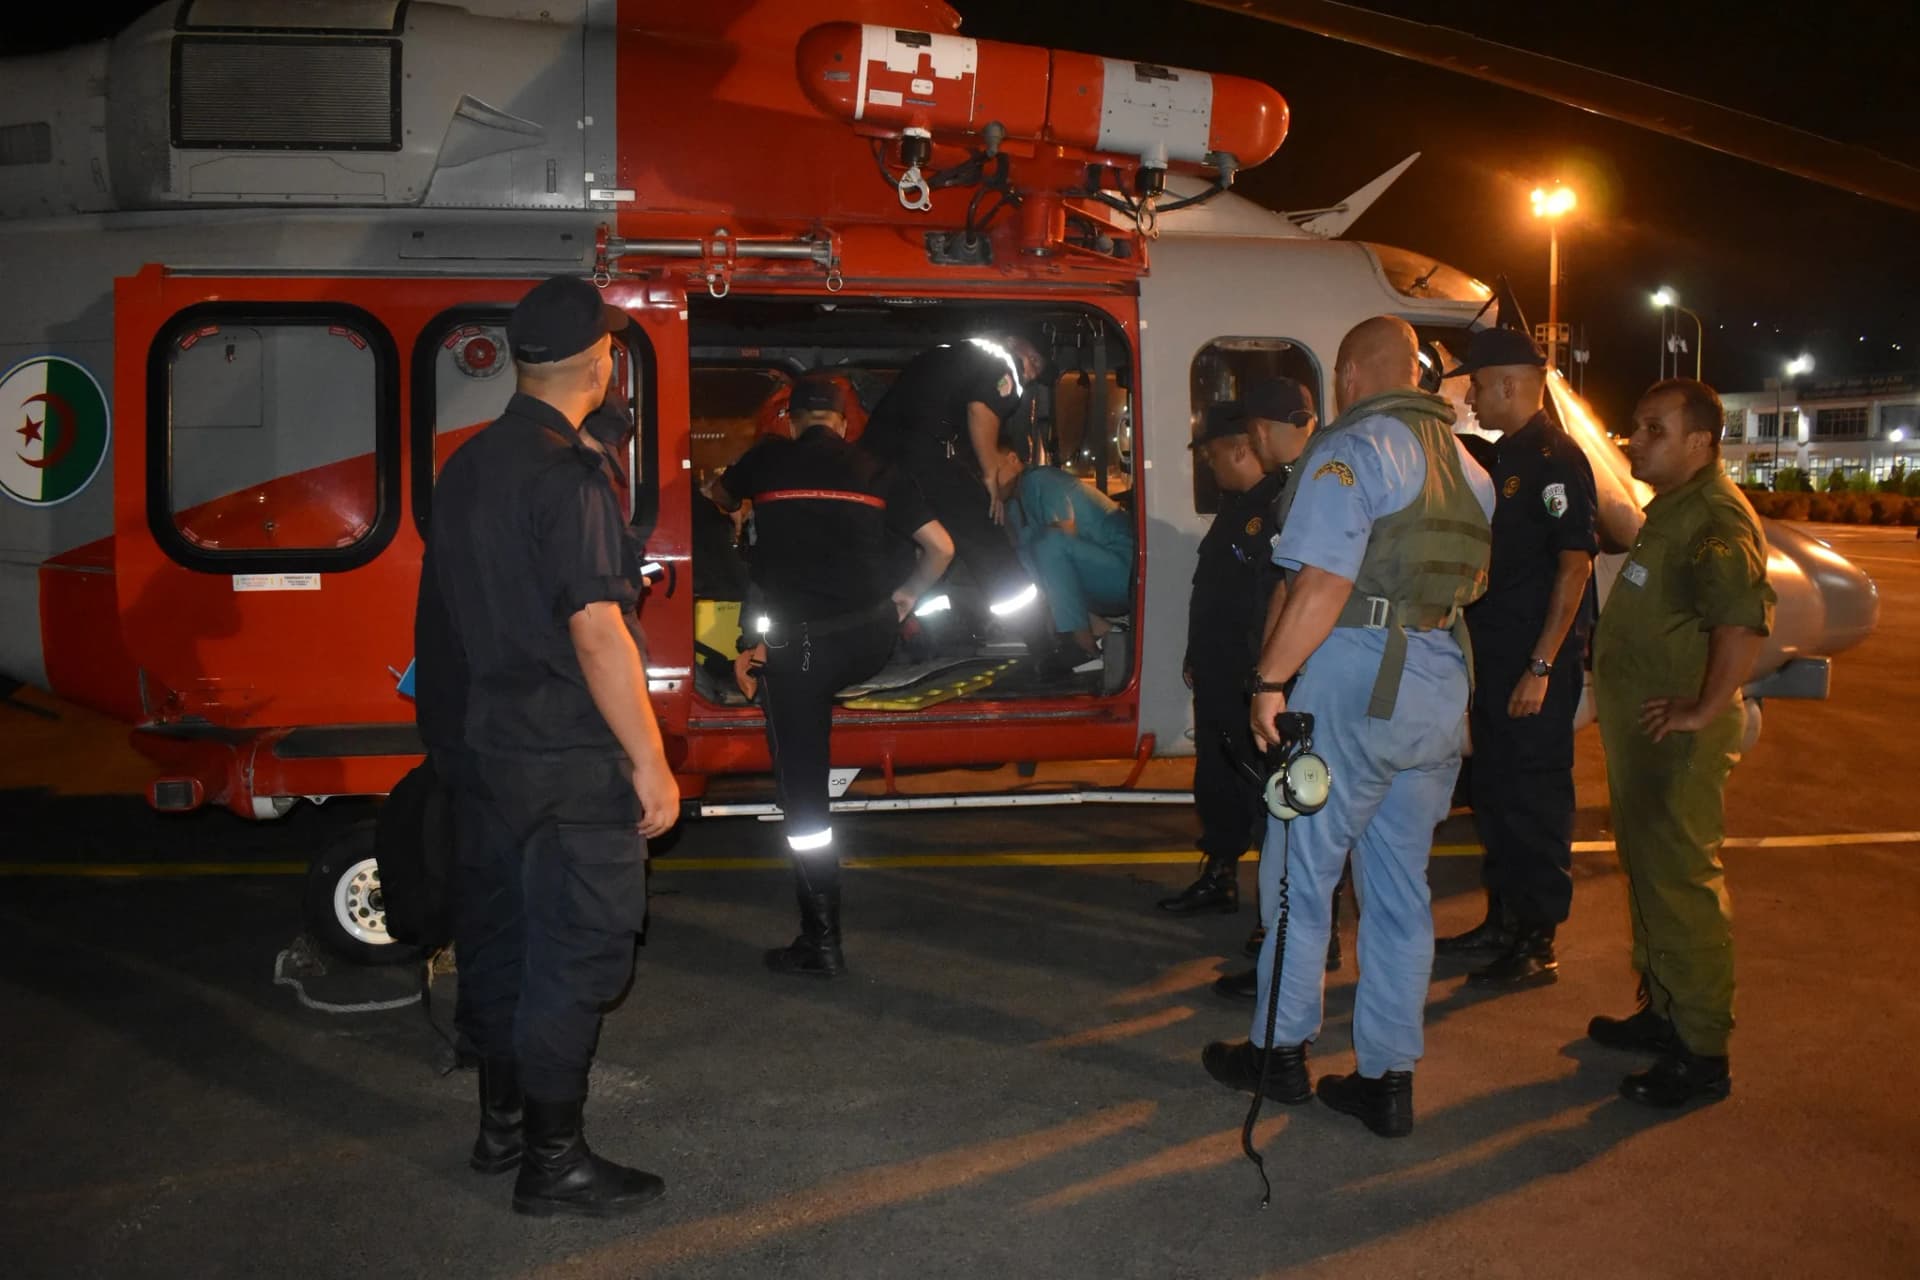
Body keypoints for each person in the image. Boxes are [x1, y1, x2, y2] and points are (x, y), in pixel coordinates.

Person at [420, 274, 680, 1219]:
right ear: (604, 362)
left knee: (500, 942)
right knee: (575, 954)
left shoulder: (470, 465)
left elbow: (442, 619)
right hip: (567, 758)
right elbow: (598, 630)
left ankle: (502, 1131)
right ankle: (554, 1163)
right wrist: (650, 763)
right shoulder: (566, 482)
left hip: (487, 754)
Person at [1200, 316, 1493, 1140]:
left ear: (1348, 377)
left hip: (1353, 683)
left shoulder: (1354, 452)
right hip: (1435, 687)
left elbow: (1323, 582)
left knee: (1299, 872)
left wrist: (1269, 682)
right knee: (1401, 893)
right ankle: (1387, 1079)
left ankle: (1279, 1054)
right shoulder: (1471, 470)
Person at [709, 376, 954, 977]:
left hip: (804, 650)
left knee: (803, 793)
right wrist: (903, 600)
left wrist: (738, 496)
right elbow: (942, 549)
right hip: (869, 641)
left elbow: (718, 492)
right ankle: (819, 934)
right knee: (820, 657)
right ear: (845, 423)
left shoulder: (768, 459)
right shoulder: (877, 467)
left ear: (791, 420)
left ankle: (821, 942)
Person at [1590, 378, 1773, 1108]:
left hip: (1677, 739)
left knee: (1682, 885)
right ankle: (1663, 1011)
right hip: (1646, 735)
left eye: (1655, 428)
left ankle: (1701, 1051)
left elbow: (1741, 624)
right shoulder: (1671, 511)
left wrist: (1704, 708)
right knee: (1650, 874)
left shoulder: (1714, 519)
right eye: (1637, 425)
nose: (1637, 439)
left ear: (1700, 441)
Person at [1434, 329, 1598, 985]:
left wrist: (1542, 665)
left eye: (1476, 384)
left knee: (1533, 802)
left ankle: (1535, 941)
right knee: (1497, 797)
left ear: (1508, 383)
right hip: (1497, 665)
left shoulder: (1556, 458)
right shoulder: (1508, 459)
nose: (1471, 396)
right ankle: (1502, 922)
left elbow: (1575, 566)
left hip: (1533, 669)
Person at [858, 335, 1043, 625]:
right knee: (987, 536)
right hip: (923, 451)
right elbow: (980, 411)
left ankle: (900, 630)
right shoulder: (1003, 365)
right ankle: (1043, 646)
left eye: (1036, 369)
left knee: (900, 545)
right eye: (1033, 360)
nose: (1030, 373)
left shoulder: (943, 354)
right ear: (1013, 342)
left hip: (875, 461)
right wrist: (990, 474)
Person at [994, 450, 1134, 671]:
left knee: (1048, 544)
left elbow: (1063, 534)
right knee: (1022, 557)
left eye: (992, 468)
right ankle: (1107, 633)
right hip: (1099, 583)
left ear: (1013, 459)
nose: (988, 478)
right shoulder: (1013, 507)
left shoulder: (1041, 479)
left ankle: (1084, 646)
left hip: (1128, 571)